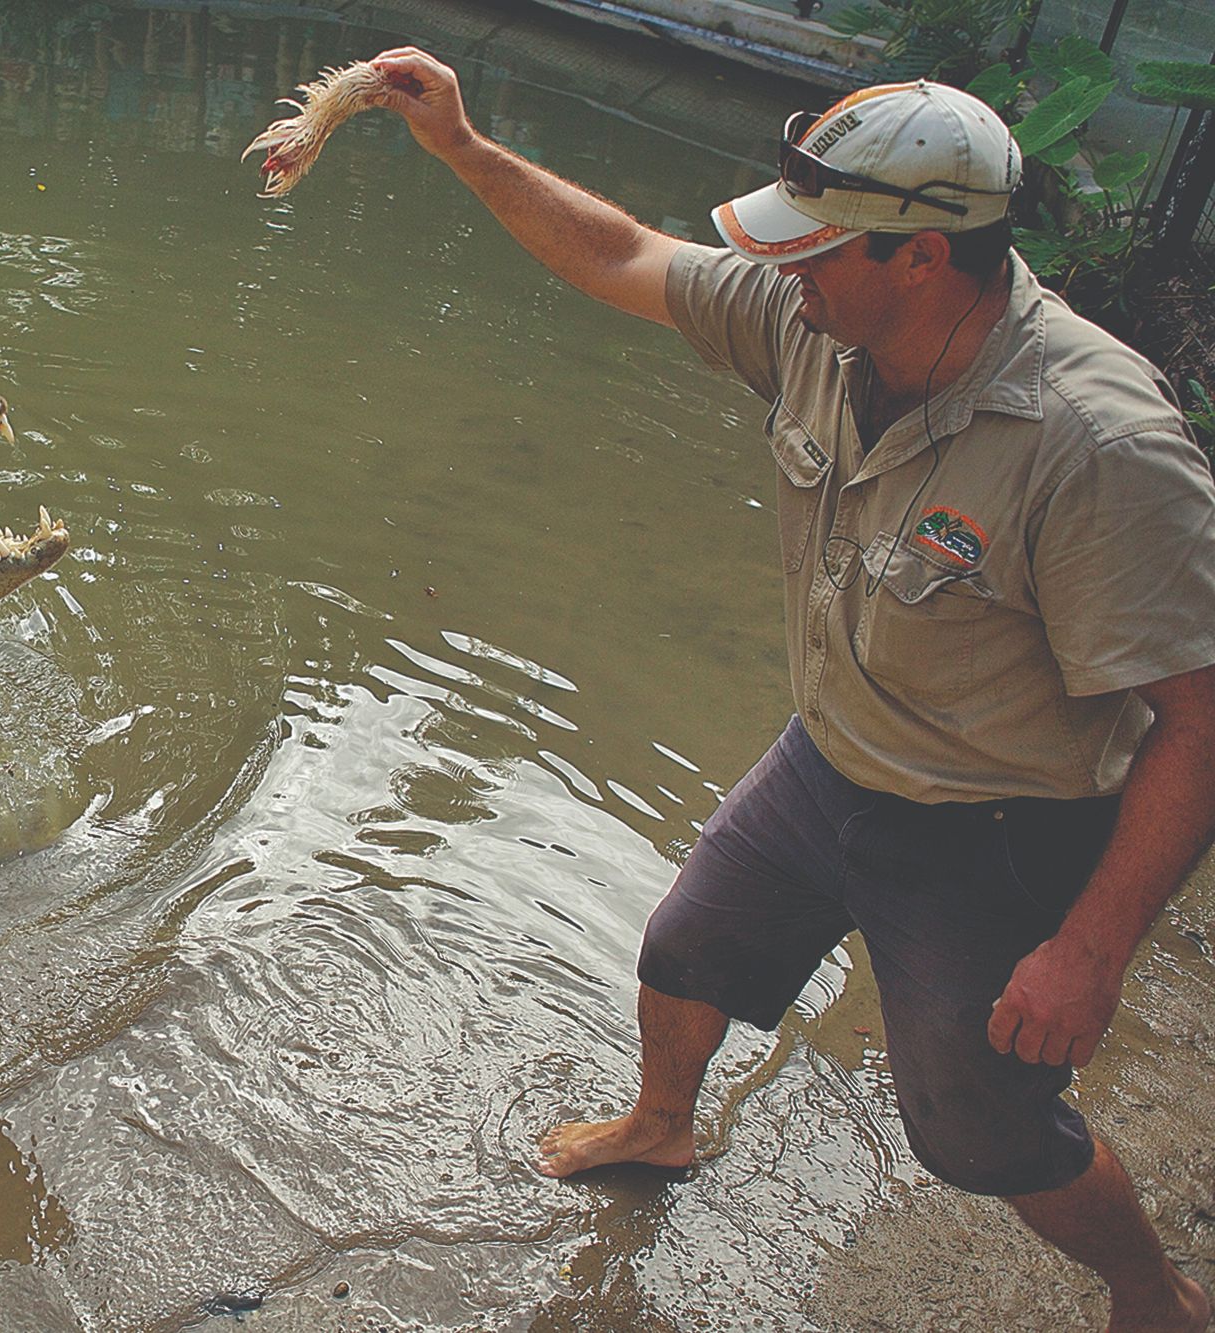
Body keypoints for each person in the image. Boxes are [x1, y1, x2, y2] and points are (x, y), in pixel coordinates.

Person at [367, 47, 1215, 1332]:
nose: (778, 270)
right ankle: (660, 1127)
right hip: (832, 753)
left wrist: (1087, 951)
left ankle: (1151, 1288)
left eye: (811, 248)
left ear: (920, 259)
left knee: (976, 1131)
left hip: (994, 819)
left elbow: (1199, 720)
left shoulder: (1094, 447)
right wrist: (465, 152)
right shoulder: (814, 320)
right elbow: (621, 258)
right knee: (687, 945)